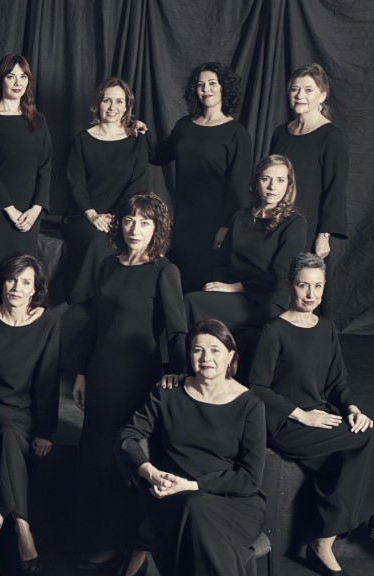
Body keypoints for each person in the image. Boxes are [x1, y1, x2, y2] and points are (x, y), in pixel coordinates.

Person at [249, 254, 374, 576]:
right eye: (303, 286)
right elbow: (255, 387)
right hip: (285, 424)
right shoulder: (274, 330)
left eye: (317, 286)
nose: (310, 294)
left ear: (325, 287)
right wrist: (301, 414)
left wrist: (352, 409)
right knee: (367, 439)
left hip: (322, 416)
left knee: (360, 440)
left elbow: (337, 383)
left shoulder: (326, 328)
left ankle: (324, 540)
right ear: (290, 286)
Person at [117, 319, 268, 576]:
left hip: (236, 504)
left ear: (231, 356)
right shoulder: (167, 393)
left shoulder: (250, 404)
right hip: (174, 500)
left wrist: (195, 484)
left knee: (199, 512)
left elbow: (250, 477)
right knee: (195, 512)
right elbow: (128, 436)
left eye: (216, 350)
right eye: (198, 349)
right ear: (189, 356)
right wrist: (150, 472)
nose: (206, 357)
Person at [67, 192, 186, 574]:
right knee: (96, 458)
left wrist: (177, 370)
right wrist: (82, 371)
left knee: (128, 458)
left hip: (138, 377)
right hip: (101, 372)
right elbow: (93, 323)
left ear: (158, 229)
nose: (136, 229)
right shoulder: (107, 265)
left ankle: (135, 546)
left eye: (146, 222)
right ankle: (103, 541)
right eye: (130, 221)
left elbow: (178, 329)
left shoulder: (165, 271)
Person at [0, 253, 59, 572]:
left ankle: (20, 527)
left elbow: (47, 379)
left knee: (9, 434)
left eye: (25, 282)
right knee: (3, 433)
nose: (17, 288)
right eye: (12, 280)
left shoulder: (48, 322)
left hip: (21, 413)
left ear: (35, 289)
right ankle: (23, 526)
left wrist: (46, 431)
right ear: (1, 283)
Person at [185, 155, 306, 374]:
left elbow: (279, 277)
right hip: (233, 292)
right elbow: (221, 262)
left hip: (266, 299)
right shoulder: (240, 217)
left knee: (191, 303)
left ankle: (183, 371)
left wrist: (233, 288)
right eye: (266, 179)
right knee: (198, 296)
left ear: (289, 185)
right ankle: (204, 373)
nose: (272, 187)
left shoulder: (294, 222)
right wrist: (219, 285)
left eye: (280, 180)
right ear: (256, 182)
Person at [151, 61, 252, 293]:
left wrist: (226, 227)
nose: (206, 88)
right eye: (200, 84)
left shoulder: (237, 133)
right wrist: (139, 131)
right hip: (186, 220)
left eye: (212, 83)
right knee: (181, 278)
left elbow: (238, 187)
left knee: (207, 283)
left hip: (217, 222)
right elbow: (159, 156)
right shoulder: (184, 126)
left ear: (223, 88)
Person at [0, 54, 52, 313]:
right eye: (11, 76)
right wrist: (10, 209)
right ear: (0, 81)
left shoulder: (38, 121)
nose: (17, 82)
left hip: (28, 217)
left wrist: (36, 209)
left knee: (21, 283)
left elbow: (46, 168)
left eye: (23, 76)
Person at [268, 63, 349, 317]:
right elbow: (272, 178)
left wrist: (323, 235)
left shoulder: (331, 136)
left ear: (322, 95)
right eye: (294, 89)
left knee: (305, 285)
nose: (300, 96)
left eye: (307, 90)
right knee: (278, 281)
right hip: (279, 220)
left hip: (311, 224)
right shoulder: (281, 133)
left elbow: (335, 188)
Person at [63, 78, 151, 304]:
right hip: (84, 215)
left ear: (126, 106)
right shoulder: (81, 140)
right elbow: (76, 185)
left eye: (119, 101)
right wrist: (92, 215)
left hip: (123, 215)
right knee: (97, 240)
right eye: (107, 100)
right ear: (97, 104)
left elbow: (138, 184)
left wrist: (119, 218)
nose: (112, 107)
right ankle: (83, 304)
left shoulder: (136, 140)